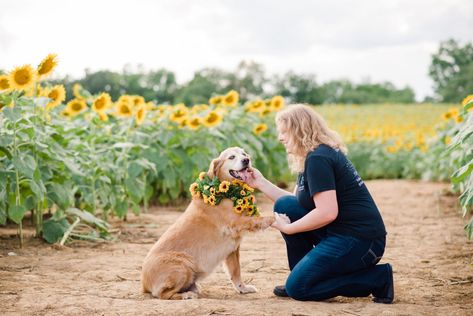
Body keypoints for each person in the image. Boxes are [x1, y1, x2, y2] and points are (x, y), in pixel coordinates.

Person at [241, 104, 394, 303]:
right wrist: (259, 182)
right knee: (286, 206)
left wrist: (290, 229)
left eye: (284, 132)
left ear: (300, 130)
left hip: (362, 243)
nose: (280, 137)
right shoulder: (310, 157)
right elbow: (296, 203)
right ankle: (303, 274)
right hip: (341, 234)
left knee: (299, 288)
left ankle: (376, 278)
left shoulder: (319, 158)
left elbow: (327, 212)